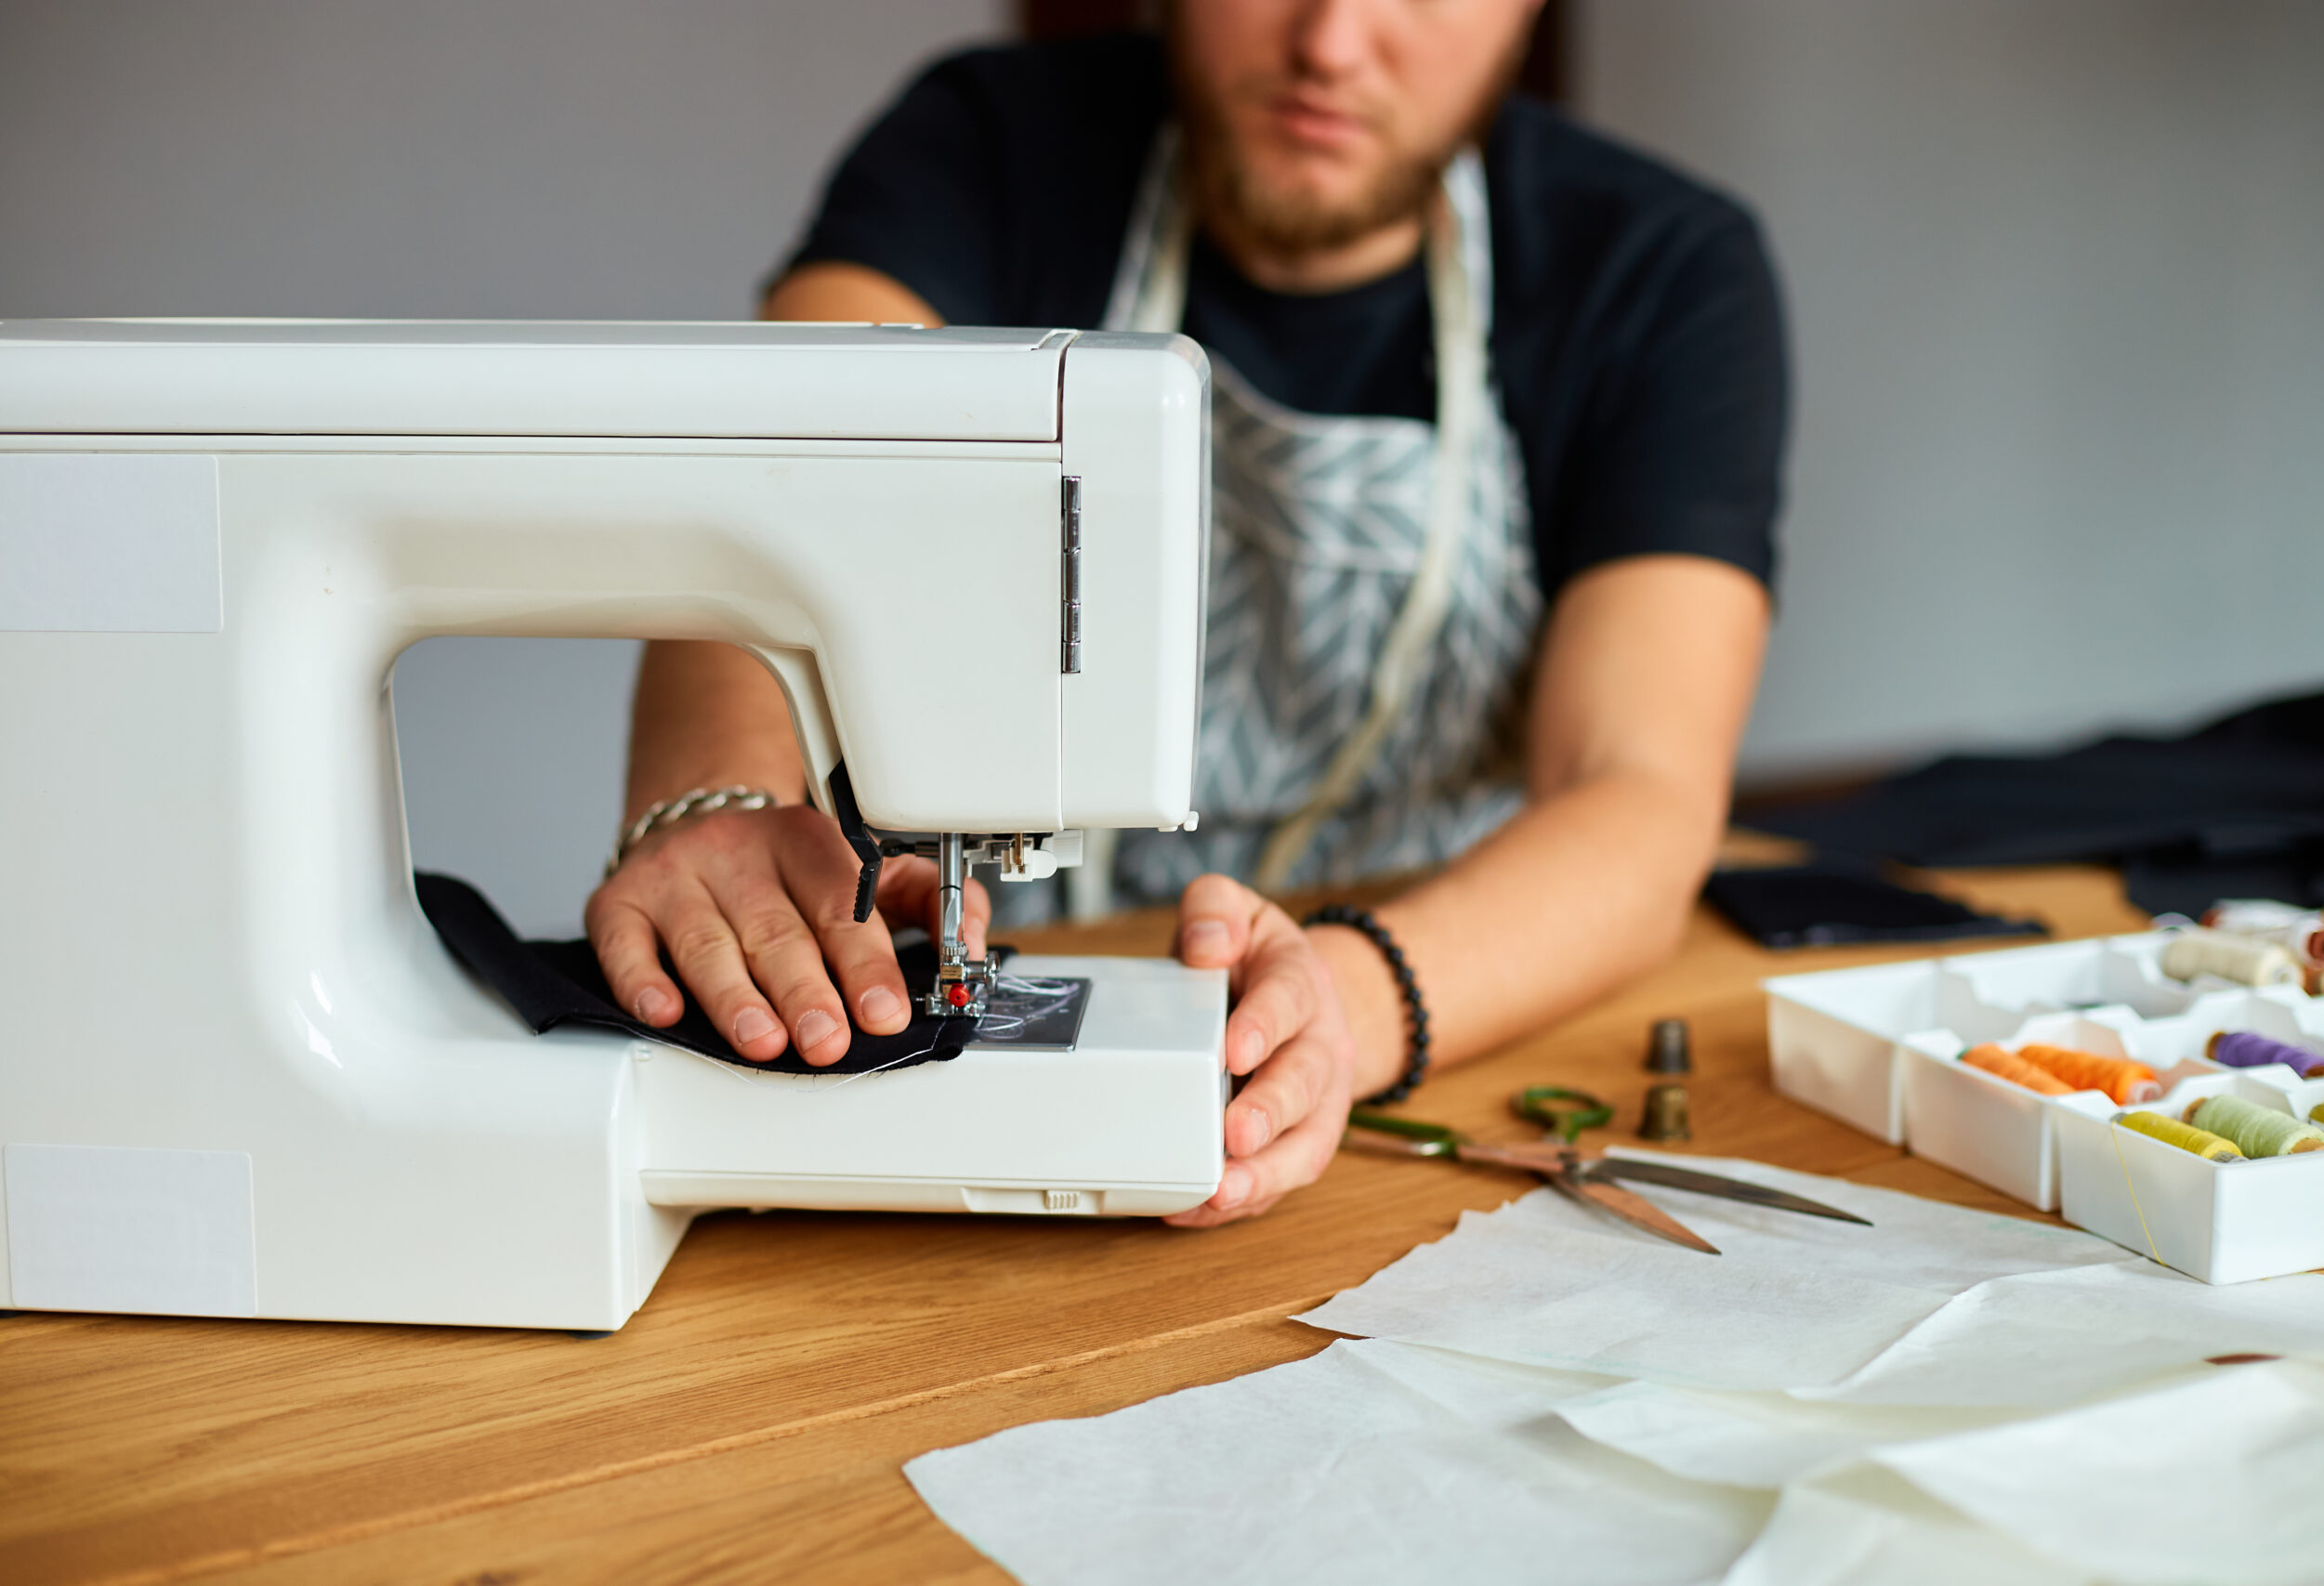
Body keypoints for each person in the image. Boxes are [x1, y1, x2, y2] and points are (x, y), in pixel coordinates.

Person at [586, 0, 1785, 1227]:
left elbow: (1635, 791)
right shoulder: (987, 146)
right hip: (988, 949)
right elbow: (773, 489)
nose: (1331, 39)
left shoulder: (1661, 270)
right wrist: (723, 799)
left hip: (1429, 992)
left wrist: (1340, 1009)